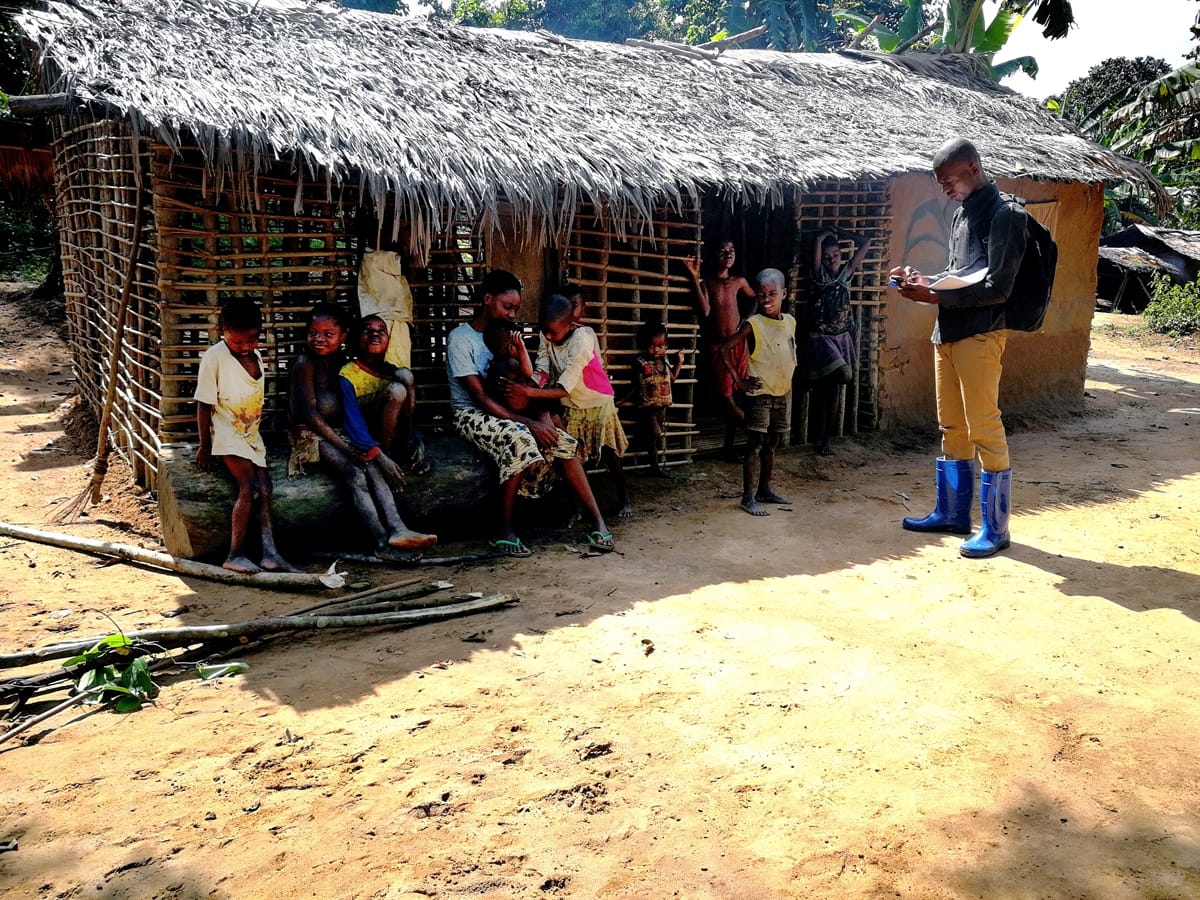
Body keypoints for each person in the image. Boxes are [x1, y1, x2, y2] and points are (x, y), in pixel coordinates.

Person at [892, 137, 1025, 559]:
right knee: (951, 425)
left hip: (981, 334)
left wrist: (936, 296)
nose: (946, 190)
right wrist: (924, 282)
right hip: (947, 332)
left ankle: (996, 528)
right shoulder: (961, 214)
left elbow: (999, 287)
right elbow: (958, 273)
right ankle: (952, 514)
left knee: (983, 426)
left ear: (973, 169)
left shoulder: (1006, 216)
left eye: (949, 181)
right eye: (942, 184)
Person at [446, 270, 615, 557]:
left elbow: (528, 383)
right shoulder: (460, 338)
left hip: (510, 409)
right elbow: (481, 398)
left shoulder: (509, 335)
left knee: (563, 440)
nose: (512, 314)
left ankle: (597, 522)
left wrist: (543, 414)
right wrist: (530, 424)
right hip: (472, 413)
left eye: (515, 308)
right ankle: (503, 530)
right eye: (507, 306)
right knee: (520, 439)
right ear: (487, 299)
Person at [288, 303, 436, 560]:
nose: (319, 339)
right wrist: (346, 448)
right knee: (354, 472)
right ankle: (380, 543)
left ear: (343, 337)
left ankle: (398, 529)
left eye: (327, 334)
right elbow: (310, 415)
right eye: (313, 333)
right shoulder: (305, 363)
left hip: (336, 430)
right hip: (309, 433)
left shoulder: (342, 364)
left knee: (373, 466)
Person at [194, 298, 297, 574]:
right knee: (248, 488)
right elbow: (204, 404)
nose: (245, 347)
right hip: (226, 432)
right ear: (222, 331)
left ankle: (270, 553)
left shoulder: (256, 357)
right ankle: (235, 554)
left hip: (250, 434)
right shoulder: (214, 358)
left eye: (251, 340)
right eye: (237, 341)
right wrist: (205, 446)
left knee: (265, 490)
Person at [509, 294, 631, 518]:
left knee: (610, 453)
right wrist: (530, 383)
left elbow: (564, 387)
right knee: (571, 456)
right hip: (572, 405)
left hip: (597, 401)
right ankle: (576, 508)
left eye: (553, 333)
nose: (548, 336)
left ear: (570, 324)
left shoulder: (582, 340)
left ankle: (624, 499)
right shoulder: (547, 333)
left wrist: (527, 392)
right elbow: (543, 368)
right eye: (545, 331)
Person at [717, 269, 796, 516]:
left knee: (772, 444)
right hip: (760, 396)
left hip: (782, 393)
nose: (766, 299)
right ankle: (747, 497)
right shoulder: (754, 324)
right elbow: (724, 349)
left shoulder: (790, 321)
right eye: (761, 294)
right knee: (755, 445)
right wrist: (740, 382)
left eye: (772, 293)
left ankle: (765, 489)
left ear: (784, 293)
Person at [685, 238, 756, 462]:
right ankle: (755, 432)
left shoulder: (738, 281)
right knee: (727, 398)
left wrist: (747, 320)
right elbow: (706, 310)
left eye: (731, 250)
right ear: (714, 255)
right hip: (718, 346)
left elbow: (754, 299)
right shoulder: (708, 282)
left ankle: (729, 447)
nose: (728, 254)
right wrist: (694, 278)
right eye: (723, 250)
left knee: (738, 394)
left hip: (738, 345)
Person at [807, 226, 872, 456]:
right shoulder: (820, 276)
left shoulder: (846, 274)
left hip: (842, 338)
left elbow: (866, 242)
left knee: (831, 389)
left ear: (841, 256)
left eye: (835, 255)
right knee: (843, 375)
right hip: (822, 338)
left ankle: (826, 438)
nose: (831, 260)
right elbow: (817, 240)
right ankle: (821, 434)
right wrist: (823, 235)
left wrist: (842, 233)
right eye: (826, 257)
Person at [339, 314, 429, 475]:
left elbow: (408, 412)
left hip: (396, 434)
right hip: (366, 437)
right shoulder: (348, 374)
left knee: (405, 376)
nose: (375, 335)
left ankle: (408, 446)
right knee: (396, 390)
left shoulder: (392, 370)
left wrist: (417, 439)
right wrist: (376, 453)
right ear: (356, 338)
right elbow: (352, 419)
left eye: (381, 331)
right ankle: (387, 454)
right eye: (368, 331)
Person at [621, 319, 684, 477]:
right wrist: (623, 400)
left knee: (652, 439)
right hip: (647, 407)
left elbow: (672, 379)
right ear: (644, 345)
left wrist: (680, 362)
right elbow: (635, 385)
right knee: (655, 433)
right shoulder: (641, 363)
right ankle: (649, 459)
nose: (656, 350)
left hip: (662, 407)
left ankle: (654, 466)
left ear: (666, 345)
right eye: (651, 346)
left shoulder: (665, 361)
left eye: (660, 346)